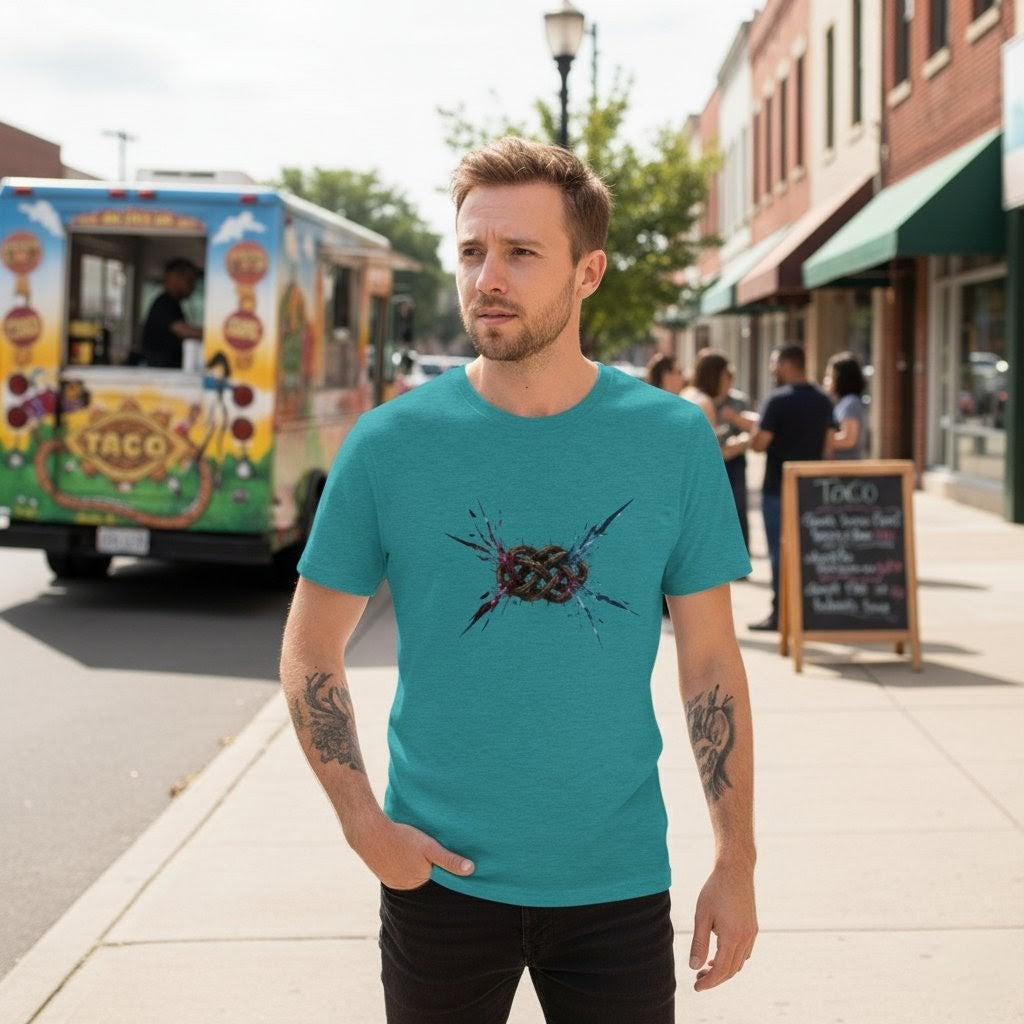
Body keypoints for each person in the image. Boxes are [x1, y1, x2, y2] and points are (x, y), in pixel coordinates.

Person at [279, 136, 757, 1024]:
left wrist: (736, 860)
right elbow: (310, 649)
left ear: (588, 272)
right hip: (438, 882)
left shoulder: (670, 440)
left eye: (521, 252)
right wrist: (363, 826)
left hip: (615, 882)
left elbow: (710, 666)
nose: (487, 276)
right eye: (471, 251)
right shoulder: (388, 445)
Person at [747, 344, 835, 631]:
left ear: (787, 364)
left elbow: (760, 444)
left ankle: (781, 614)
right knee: (810, 551)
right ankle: (811, 611)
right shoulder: (823, 400)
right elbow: (829, 446)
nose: (773, 369)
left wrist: (751, 435)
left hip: (777, 488)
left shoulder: (777, 400)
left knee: (779, 553)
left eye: (774, 363)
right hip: (813, 489)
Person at [683, 350, 751, 554]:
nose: (728, 381)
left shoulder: (688, 394)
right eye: (725, 376)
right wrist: (744, 442)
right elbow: (715, 454)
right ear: (716, 376)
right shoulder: (704, 402)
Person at [140, 258, 203, 368]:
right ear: (174, 277)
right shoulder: (164, 303)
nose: (192, 286)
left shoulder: (173, 304)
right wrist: (214, 336)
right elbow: (183, 330)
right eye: (189, 280)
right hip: (160, 371)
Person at [824, 351, 868, 460]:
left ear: (840, 378)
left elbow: (848, 439)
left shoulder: (850, 403)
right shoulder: (843, 403)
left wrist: (817, 440)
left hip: (847, 470)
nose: (825, 380)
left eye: (829, 376)